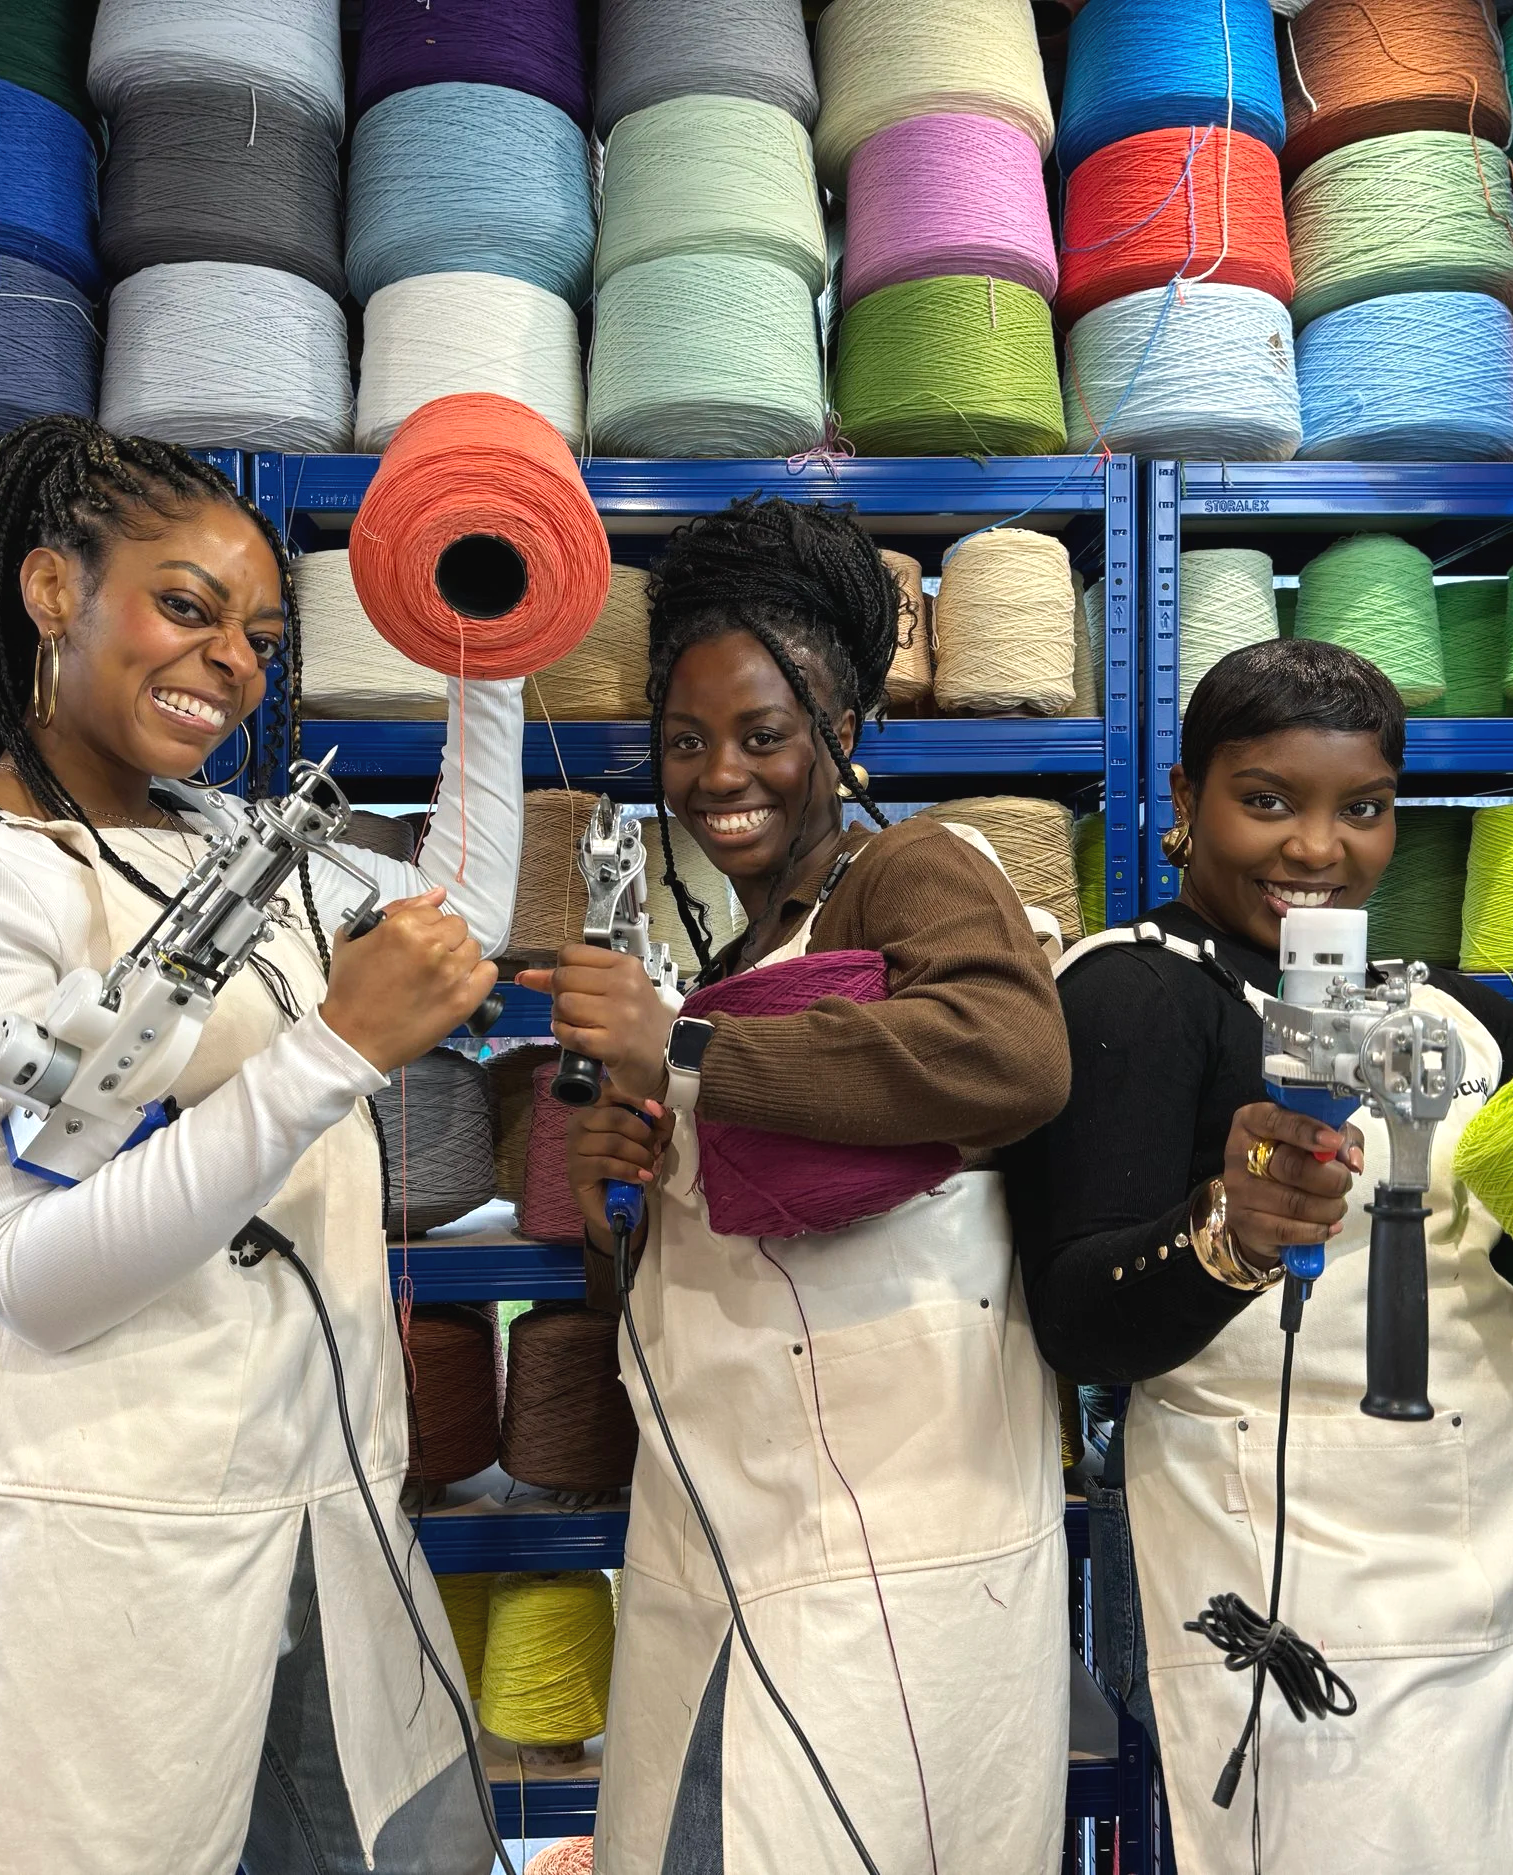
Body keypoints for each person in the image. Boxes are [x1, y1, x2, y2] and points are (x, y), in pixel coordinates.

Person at [1001, 638, 1513, 1875]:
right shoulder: (1133, 993)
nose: (1316, 849)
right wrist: (1224, 1237)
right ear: (1183, 804)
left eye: (1364, 809)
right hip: (1279, 1582)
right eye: (1266, 800)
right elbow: (1077, 1321)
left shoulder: (1452, 1014)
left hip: (1494, 1568)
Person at [0, 416, 523, 1875]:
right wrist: (334, 1049)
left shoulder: (226, 837)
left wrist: (497, 653)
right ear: (51, 591)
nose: (232, 662)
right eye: (188, 608)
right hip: (85, 1574)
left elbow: (455, 915)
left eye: (258, 636)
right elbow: (32, 1268)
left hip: (315, 1530)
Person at [520, 498, 1075, 1875]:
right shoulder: (742, 942)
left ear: (845, 728)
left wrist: (686, 1045)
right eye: (686, 742)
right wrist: (615, 1195)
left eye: (764, 734)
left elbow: (1013, 1053)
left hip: (892, 1529)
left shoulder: (916, 866)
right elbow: (698, 1266)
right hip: (728, 1512)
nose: (721, 775)